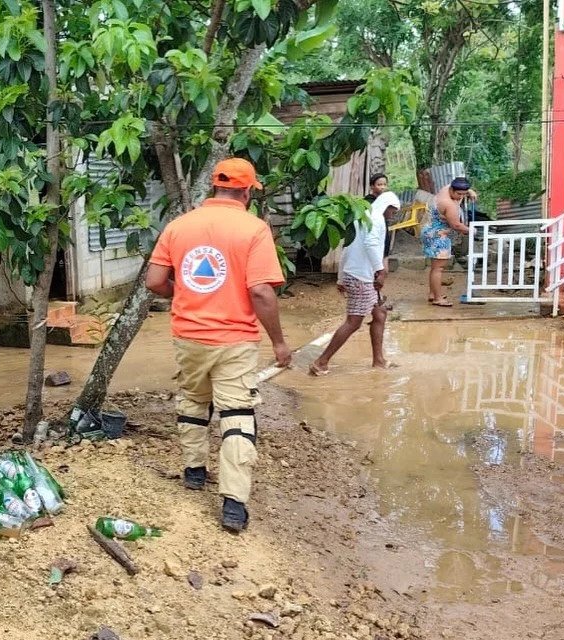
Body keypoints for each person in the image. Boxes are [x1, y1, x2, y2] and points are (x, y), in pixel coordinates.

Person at [145, 158, 292, 534]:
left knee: (194, 400)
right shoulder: (254, 229)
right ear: (246, 191)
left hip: (188, 336)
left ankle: (195, 472)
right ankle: (233, 505)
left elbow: (155, 281)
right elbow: (260, 291)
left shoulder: (179, 226)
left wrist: (183, 293)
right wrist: (279, 342)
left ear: (215, 187)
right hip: (235, 340)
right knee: (237, 415)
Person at [309, 191, 401, 375]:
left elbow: (348, 247)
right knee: (353, 322)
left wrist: (341, 277)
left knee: (380, 313)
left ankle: (379, 360)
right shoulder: (376, 219)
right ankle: (321, 362)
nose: (393, 215)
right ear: (386, 206)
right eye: (392, 210)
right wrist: (380, 271)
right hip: (362, 277)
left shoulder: (363, 217)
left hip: (357, 274)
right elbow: (370, 244)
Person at [422, 177, 476, 307]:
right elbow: (456, 225)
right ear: (452, 189)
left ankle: (433, 294)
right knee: (438, 268)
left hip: (429, 230)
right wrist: (472, 230)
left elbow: (461, 190)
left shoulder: (445, 189)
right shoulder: (448, 204)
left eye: (464, 194)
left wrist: (470, 192)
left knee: (435, 267)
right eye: (458, 194)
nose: (460, 197)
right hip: (438, 236)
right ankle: (438, 298)